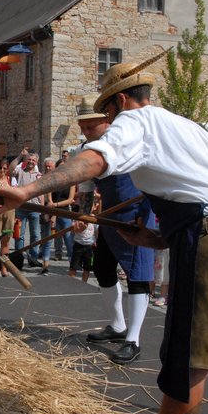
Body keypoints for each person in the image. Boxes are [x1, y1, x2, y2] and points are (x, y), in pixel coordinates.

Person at [0, 56, 208, 414]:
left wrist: (27, 191)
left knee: (187, 367)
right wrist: (159, 238)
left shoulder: (134, 121)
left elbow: (97, 159)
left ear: (120, 102)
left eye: (107, 112)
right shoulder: (186, 126)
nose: (108, 119)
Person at [69, 94, 155, 365]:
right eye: (82, 127)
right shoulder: (85, 150)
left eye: (89, 126)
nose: (85, 132)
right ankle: (118, 326)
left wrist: (144, 216)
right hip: (108, 217)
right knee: (103, 269)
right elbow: (85, 188)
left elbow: (151, 179)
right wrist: (83, 214)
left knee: (137, 275)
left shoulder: (126, 141)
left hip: (137, 214)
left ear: (105, 121)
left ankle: (134, 340)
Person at [9, 148, 43, 266]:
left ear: (37, 162)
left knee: (36, 235)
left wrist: (43, 208)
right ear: (25, 160)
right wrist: (19, 156)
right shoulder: (20, 171)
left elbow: (42, 193)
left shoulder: (39, 175)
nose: (31, 162)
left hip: (35, 208)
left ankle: (33, 258)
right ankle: (19, 259)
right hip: (21, 207)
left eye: (33, 160)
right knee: (19, 235)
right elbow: (10, 169)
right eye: (29, 159)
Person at [68, 197, 99, 282]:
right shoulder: (79, 217)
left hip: (90, 246)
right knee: (73, 267)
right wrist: (79, 228)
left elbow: (96, 231)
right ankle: (70, 283)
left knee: (87, 268)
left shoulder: (95, 219)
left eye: (90, 206)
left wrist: (96, 240)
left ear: (95, 207)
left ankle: (84, 284)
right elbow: (73, 229)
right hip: (78, 245)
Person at [51, 159, 76, 261]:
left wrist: (55, 204)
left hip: (65, 211)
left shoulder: (71, 182)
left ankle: (71, 256)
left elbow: (70, 199)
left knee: (68, 236)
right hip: (54, 212)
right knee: (57, 235)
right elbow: (49, 195)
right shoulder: (53, 181)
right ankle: (58, 254)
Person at [38, 158, 56, 274]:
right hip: (42, 209)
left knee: (48, 238)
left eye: (50, 166)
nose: (48, 168)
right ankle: (44, 261)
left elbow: (50, 199)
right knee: (44, 237)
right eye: (46, 166)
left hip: (51, 210)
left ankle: (46, 263)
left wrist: (53, 214)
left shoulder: (56, 178)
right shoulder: (41, 178)